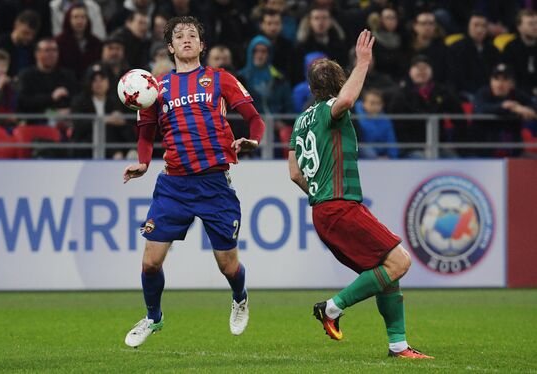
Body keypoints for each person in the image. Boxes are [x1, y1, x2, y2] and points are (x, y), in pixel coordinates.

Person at [288, 30, 433, 359]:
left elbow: (294, 172)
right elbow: (348, 101)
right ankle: (332, 308)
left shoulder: (300, 121)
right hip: (340, 207)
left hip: (323, 210)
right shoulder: (330, 110)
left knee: (386, 269)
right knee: (400, 262)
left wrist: (319, 191)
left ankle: (398, 346)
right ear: (339, 84)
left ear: (311, 88)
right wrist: (363, 62)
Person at [122, 16, 266, 348]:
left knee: (227, 265)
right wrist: (144, 162)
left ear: (202, 45)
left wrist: (253, 140)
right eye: (179, 36)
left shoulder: (220, 79)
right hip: (174, 185)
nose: (186, 39)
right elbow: (146, 132)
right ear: (170, 47)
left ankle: (240, 297)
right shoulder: (156, 87)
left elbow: (254, 119)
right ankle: (153, 317)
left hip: (214, 184)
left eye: (192, 35)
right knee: (149, 262)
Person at [0, 10, 40, 77]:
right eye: (25, 33)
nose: (29, 38)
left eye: (33, 35)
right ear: (16, 25)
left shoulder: (32, 48)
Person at [353, 89, 398, 159]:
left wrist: (391, 156)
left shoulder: (386, 120)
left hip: (382, 155)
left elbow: (391, 140)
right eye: (372, 103)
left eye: (378, 103)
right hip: (362, 154)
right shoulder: (355, 117)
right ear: (363, 104)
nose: (375, 107)